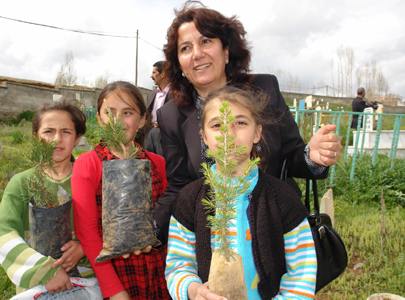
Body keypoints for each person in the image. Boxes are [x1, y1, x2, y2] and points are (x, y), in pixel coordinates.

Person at [155, 2, 343, 239]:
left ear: (225, 51)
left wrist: (312, 156)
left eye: (206, 41)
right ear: (180, 64)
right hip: (216, 236)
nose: (197, 54)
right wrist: (151, 228)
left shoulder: (264, 90)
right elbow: (178, 187)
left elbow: (290, 157)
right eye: (185, 48)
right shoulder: (170, 115)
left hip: (276, 227)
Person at [165, 86, 317, 300]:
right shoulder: (189, 200)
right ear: (204, 138)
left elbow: (302, 273)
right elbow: (178, 266)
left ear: (257, 133)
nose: (228, 133)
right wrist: (193, 290)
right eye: (217, 125)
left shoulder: (283, 199)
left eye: (240, 123)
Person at [0, 100, 101, 299]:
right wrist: (44, 270)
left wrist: (85, 247)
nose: (56, 139)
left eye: (66, 132)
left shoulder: (92, 180)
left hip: (88, 282)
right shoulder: (22, 183)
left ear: (77, 138)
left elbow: (113, 226)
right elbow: (2, 234)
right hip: (39, 285)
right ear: (36, 137)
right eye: (48, 131)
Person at [71, 81, 171, 300]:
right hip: (116, 272)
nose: (118, 121)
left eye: (128, 112)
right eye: (110, 112)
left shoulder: (157, 163)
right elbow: (87, 234)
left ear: (143, 119)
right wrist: (113, 289)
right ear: (98, 118)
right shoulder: (89, 164)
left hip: (160, 269)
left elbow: (167, 218)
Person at [143, 61, 173, 155]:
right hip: (150, 131)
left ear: (162, 74)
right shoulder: (151, 95)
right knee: (148, 160)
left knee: (163, 163)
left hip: (165, 134)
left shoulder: (176, 94)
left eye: (154, 72)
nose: (151, 76)